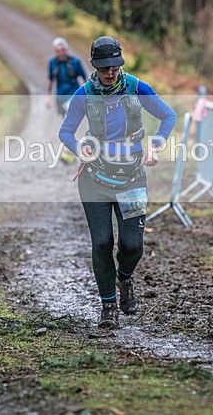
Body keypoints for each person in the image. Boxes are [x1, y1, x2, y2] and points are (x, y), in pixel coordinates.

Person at [59, 36, 177, 328]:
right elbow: (66, 132)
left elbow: (168, 115)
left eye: (115, 66)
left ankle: (125, 279)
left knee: (132, 246)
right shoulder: (84, 94)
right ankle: (108, 307)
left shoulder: (137, 87)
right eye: (104, 67)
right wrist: (79, 148)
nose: (110, 72)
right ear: (93, 66)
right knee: (101, 242)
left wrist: (157, 143)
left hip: (132, 177)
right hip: (94, 179)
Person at [46, 37, 86, 116]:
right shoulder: (52, 62)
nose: (60, 53)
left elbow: (84, 77)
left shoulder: (75, 61)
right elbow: (50, 79)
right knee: (63, 116)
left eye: (62, 50)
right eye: (58, 51)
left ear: (66, 49)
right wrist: (47, 97)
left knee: (70, 112)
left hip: (73, 93)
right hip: (60, 94)